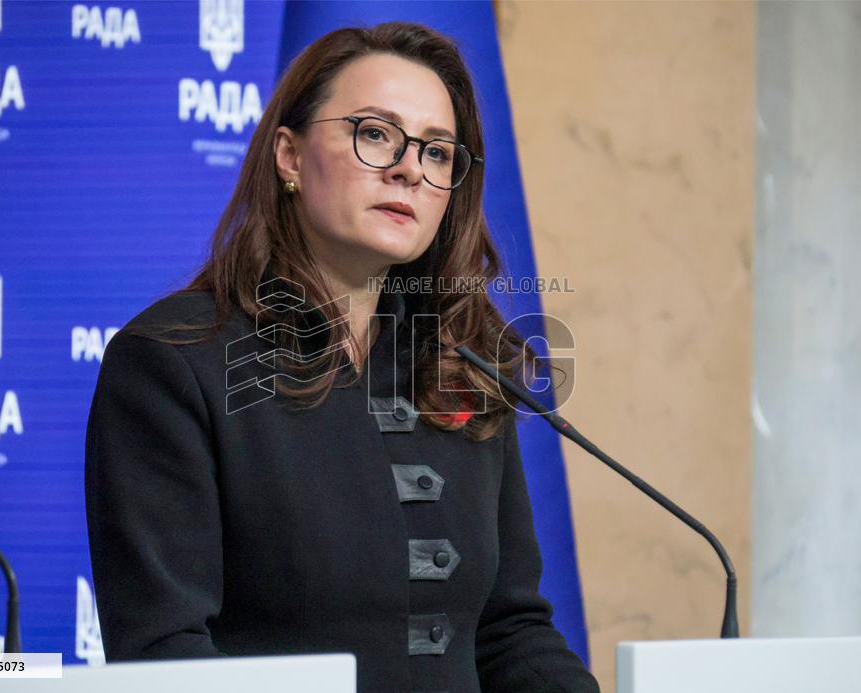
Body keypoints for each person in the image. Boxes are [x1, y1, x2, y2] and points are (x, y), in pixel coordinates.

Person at [84, 21, 599, 693]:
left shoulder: (460, 362)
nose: (409, 168)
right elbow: (164, 652)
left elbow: (508, 633)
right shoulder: (172, 363)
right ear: (289, 157)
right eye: (375, 133)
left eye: (438, 152)